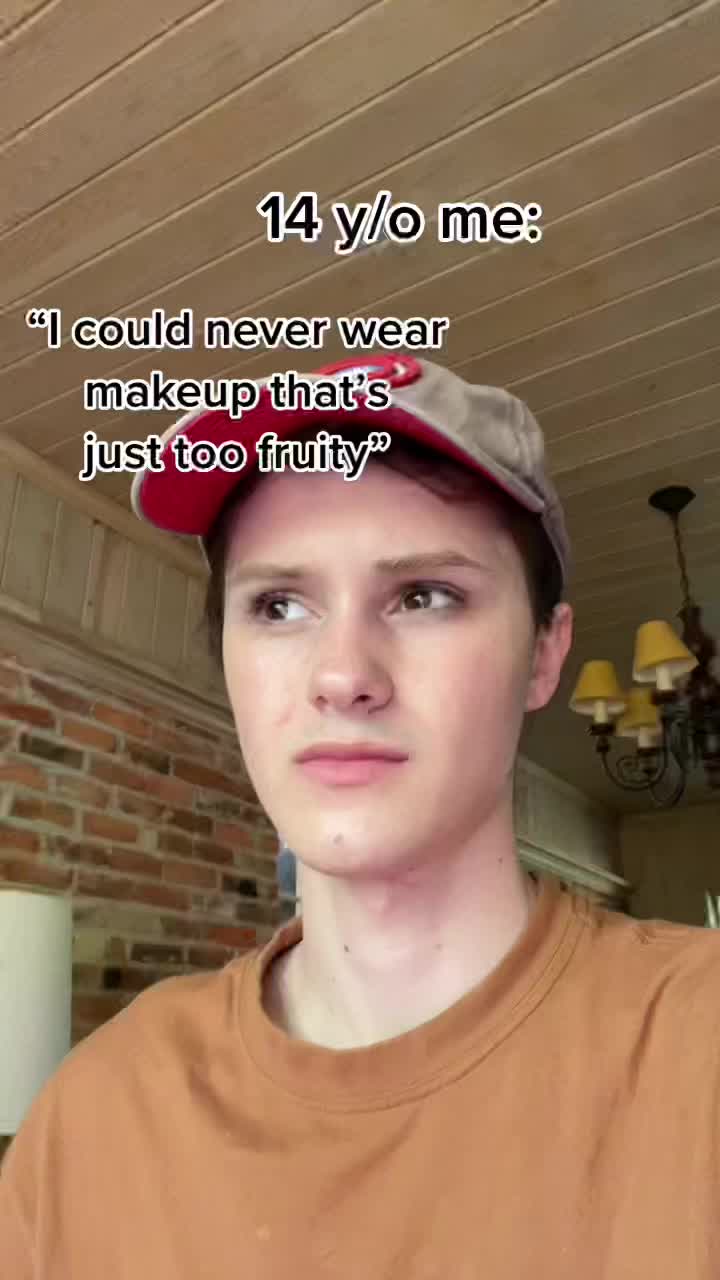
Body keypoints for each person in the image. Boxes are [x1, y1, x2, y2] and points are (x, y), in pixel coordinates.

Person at [1, 353, 719, 1277]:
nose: (343, 676)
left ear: (545, 653)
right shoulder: (94, 1115)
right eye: (279, 605)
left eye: (424, 596)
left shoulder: (695, 1043)